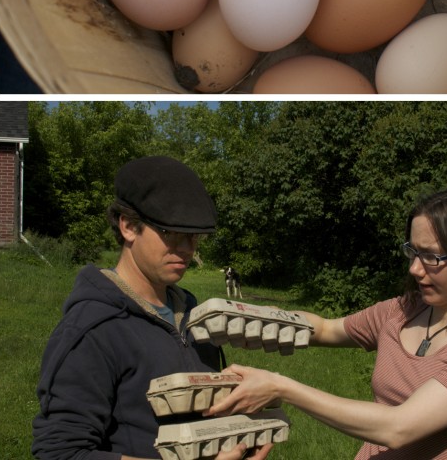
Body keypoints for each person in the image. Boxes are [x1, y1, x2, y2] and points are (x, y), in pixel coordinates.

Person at [209, 187, 447, 459]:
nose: (415, 269)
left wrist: (280, 387)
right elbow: (326, 328)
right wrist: (263, 319)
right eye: (412, 252)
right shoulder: (403, 310)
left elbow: (398, 427)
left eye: (432, 257)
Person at [32, 155, 272, 460]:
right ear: (129, 226)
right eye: (171, 233)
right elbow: (60, 454)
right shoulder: (93, 329)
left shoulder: (194, 314)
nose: (187, 248)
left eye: (194, 235)